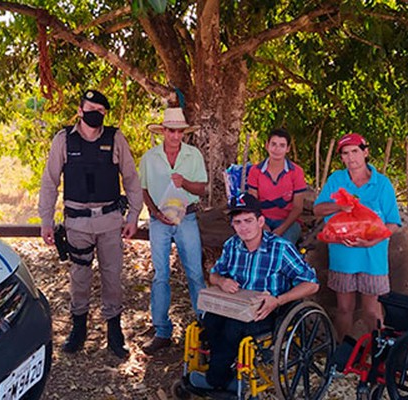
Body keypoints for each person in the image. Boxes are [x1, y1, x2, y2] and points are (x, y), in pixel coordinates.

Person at [38, 89, 143, 358]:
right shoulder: (64, 140)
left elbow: (131, 179)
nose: (94, 113)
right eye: (90, 108)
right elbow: (50, 182)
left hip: (109, 221)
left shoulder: (115, 138)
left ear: (104, 114)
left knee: (112, 277)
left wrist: (133, 216)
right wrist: (46, 221)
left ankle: (114, 331)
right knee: (79, 277)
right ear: (80, 109)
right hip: (77, 223)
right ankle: (79, 328)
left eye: (100, 110)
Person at [189, 193, 319, 392]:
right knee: (210, 320)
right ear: (232, 224)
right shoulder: (232, 245)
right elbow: (214, 275)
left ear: (260, 221)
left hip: (270, 310)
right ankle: (225, 374)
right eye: (238, 222)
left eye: (249, 220)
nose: (244, 227)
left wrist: (278, 300)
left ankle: (215, 380)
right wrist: (222, 281)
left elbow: (312, 284)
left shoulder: (280, 248)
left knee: (233, 328)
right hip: (236, 305)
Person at [313, 133, 401, 342]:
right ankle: (341, 357)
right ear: (342, 158)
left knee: (371, 311)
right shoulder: (337, 179)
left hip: (373, 256)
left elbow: (394, 223)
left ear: (365, 152)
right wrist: (339, 206)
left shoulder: (382, 184)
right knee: (344, 309)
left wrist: (373, 240)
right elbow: (318, 209)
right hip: (343, 257)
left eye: (355, 151)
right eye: (346, 153)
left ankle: (379, 356)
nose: (351, 157)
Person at [139, 107, 208, 355]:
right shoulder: (149, 157)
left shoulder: (193, 155)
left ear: (183, 133)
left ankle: (204, 327)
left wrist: (184, 183)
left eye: (179, 132)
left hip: (186, 217)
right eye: (171, 130)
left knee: (195, 273)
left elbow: (201, 189)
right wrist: (154, 212)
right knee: (160, 275)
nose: (175, 136)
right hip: (159, 220)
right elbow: (143, 189)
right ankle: (161, 331)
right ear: (163, 131)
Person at [247, 128, 307, 245]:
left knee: (281, 246)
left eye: (282, 145)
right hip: (261, 220)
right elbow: (252, 203)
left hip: (288, 221)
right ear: (267, 145)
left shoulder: (296, 171)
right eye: (273, 144)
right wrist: (263, 226)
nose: (277, 149)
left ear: (288, 149)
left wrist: (281, 229)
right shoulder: (256, 171)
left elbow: (298, 207)